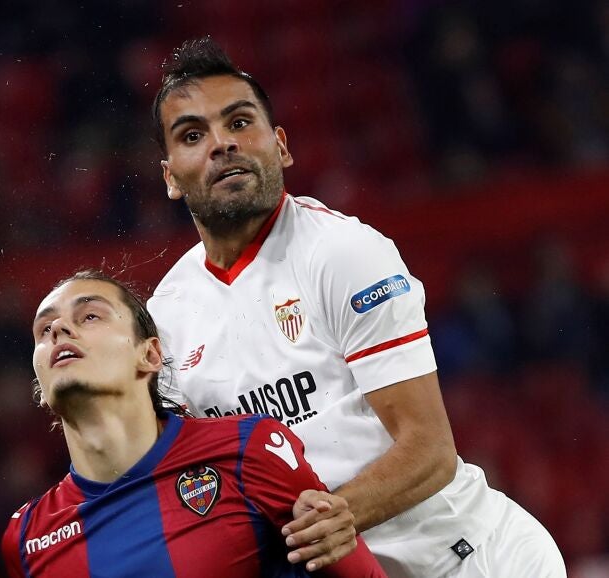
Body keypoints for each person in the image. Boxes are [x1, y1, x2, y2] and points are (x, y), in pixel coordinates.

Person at [147, 36, 566, 577]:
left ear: (281, 145)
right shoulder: (168, 316)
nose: (222, 143)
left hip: (473, 560)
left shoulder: (342, 253)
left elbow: (429, 451)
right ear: (170, 177)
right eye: (192, 135)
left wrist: (333, 517)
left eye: (240, 122)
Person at [2, 270, 385, 577]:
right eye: (44, 330)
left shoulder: (248, 450)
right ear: (40, 389)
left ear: (150, 355)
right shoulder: (28, 537)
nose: (58, 330)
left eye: (90, 316)